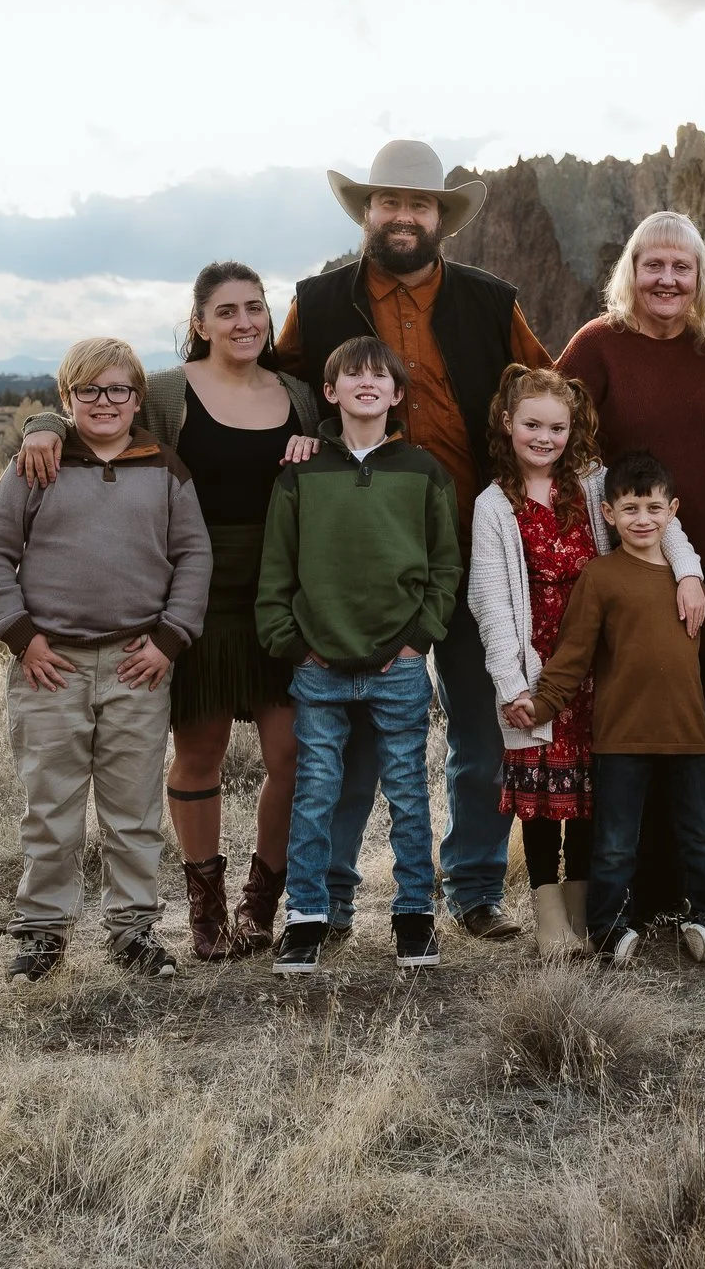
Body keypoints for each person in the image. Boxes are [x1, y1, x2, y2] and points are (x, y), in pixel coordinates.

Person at [274, 141, 703, 941]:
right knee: (353, 739)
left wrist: (651, 522)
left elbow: (556, 396)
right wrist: (298, 435)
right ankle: (330, 901)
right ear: (368, 212)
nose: (403, 216)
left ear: (442, 218)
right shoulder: (319, 301)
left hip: (482, 551)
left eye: (419, 204)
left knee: (483, 729)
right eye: (388, 202)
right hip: (363, 562)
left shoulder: (488, 301)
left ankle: (473, 889)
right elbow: (272, 386)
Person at [15, 262, 319, 960]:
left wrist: (322, 441)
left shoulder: (299, 395)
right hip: (191, 597)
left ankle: (260, 905)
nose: (244, 322)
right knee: (200, 753)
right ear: (200, 323)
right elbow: (95, 412)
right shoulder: (167, 394)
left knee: (292, 755)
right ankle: (206, 911)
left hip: (282, 595)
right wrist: (41, 424)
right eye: (227, 311)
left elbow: (350, 437)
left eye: (255, 307)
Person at [0, 337, 212, 984]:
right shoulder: (38, 463)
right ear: (67, 398)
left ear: (138, 399)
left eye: (118, 390)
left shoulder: (164, 467)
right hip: (50, 666)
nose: (104, 402)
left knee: (133, 810)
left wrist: (169, 639)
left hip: (139, 664)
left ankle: (132, 929)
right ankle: (43, 931)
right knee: (51, 808)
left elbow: (193, 556)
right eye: (89, 391)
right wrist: (23, 636)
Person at [467, 365, 705, 959]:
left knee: (590, 790)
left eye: (557, 427)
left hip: (603, 662)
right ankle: (550, 917)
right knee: (540, 790)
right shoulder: (494, 504)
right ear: (508, 423)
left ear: (571, 429)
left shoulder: (593, 483)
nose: (544, 438)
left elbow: (663, 524)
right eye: (532, 425)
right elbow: (491, 600)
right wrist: (512, 683)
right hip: (536, 666)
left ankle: (584, 908)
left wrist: (689, 574)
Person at [556, 210, 705, 921]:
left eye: (680, 267)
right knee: (623, 737)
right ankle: (612, 891)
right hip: (626, 577)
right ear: (630, 273)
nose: (666, 279)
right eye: (652, 265)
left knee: (688, 734)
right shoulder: (598, 346)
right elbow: (551, 436)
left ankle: (670, 891)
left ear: (700, 277)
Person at [256, 337, 462, 973]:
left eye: (380, 376)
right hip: (318, 667)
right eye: (353, 374)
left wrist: (419, 639)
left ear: (397, 394)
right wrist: (295, 647)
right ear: (331, 391)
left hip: (400, 665)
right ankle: (307, 917)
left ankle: (413, 915)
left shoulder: (424, 472)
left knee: (408, 793)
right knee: (315, 792)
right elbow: (276, 572)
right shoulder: (301, 474)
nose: (367, 382)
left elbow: (445, 567)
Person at [525, 451, 705, 966]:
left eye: (653, 508)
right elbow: (574, 653)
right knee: (616, 840)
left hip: (687, 734)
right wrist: (543, 703)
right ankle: (610, 928)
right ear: (608, 513)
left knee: (698, 836)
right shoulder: (601, 577)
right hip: (620, 736)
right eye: (630, 509)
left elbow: (703, 641)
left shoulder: (688, 582)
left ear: (672, 512)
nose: (642, 519)